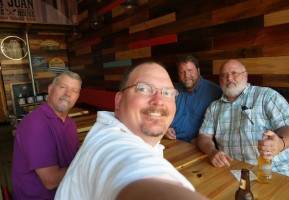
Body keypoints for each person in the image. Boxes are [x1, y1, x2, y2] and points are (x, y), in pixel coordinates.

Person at [55, 62, 207, 200]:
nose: (159, 100)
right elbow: (130, 165)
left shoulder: (110, 129)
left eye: (167, 93)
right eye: (144, 89)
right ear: (119, 100)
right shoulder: (110, 143)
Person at [197, 59, 289, 177]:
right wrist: (212, 152)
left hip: (274, 172)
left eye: (234, 73)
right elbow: (203, 136)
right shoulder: (214, 107)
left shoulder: (267, 95)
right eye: (224, 75)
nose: (229, 78)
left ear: (245, 76)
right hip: (234, 171)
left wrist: (280, 144)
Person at [12, 71, 82, 200]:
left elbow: (75, 158)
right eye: (62, 87)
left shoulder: (71, 124)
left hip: (66, 191)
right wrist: (88, 162)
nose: (68, 94)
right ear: (50, 89)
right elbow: (50, 180)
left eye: (74, 90)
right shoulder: (34, 124)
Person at [165, 55, 222, 143]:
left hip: (195, 145)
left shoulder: (215, 92)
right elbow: (162, 113)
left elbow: (222, 123)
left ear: (198, 71)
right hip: (170, 141)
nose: (186, 75)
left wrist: (206, 140)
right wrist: (165, 128)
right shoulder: (173, 91)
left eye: (190, 71)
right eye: (182, 72)